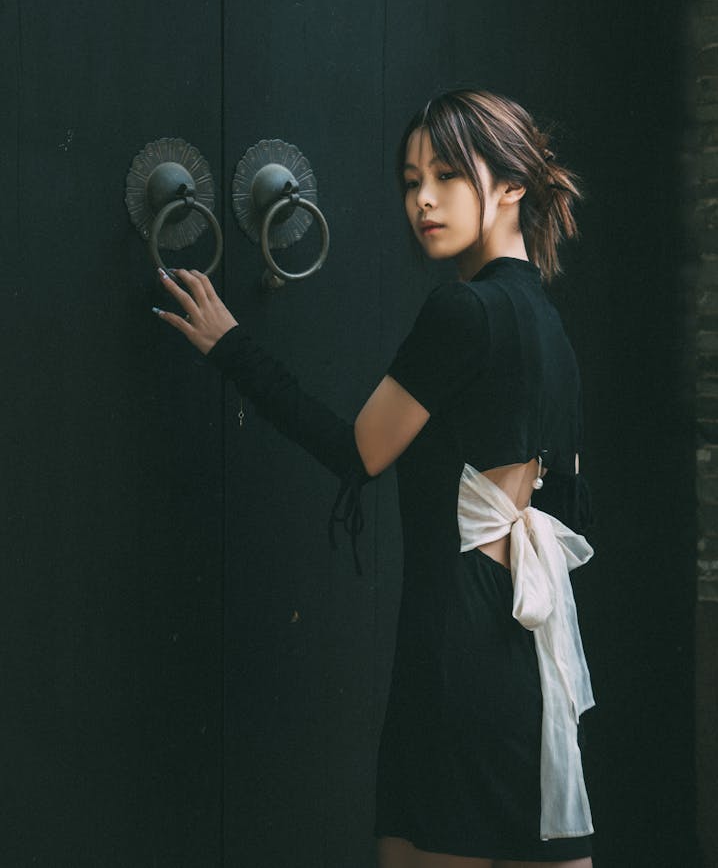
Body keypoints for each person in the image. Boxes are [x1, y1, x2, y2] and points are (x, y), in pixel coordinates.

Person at [153, 89, 595, 868]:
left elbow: (358, 450)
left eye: (449, 174)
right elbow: (568, 498)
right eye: (409, 178)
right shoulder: (551, 327)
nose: (422, 198)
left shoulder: (464, 312)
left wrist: (231, 346)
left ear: (514, 184)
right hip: (531, 656)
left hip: (451, 651)